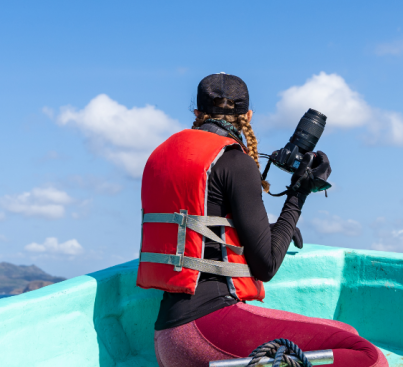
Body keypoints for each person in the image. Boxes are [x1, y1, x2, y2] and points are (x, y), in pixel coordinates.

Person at [138, 73, 387, 367]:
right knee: (369, 356)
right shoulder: (234, 161)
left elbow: (199, 230)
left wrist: (270, 231)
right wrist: (299, 193)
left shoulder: (161, 156)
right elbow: (266, 266)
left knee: (345, 334)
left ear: (197, 113)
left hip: (168, 338)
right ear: (248, 116)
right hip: (207, 329)